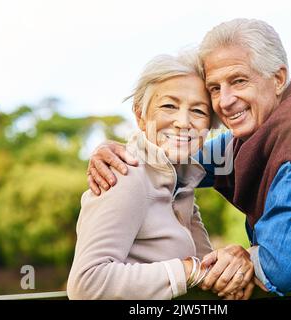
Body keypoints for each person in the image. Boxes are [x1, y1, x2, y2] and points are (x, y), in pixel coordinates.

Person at [86, 18, 291, 296]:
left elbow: (285, 268)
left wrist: (245, 256)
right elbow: (176, 160)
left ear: (278, 79)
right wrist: (118, 152)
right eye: (214, 88)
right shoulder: (251, 138)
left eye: (238, 81)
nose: (224, 101)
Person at [67, 50, 255, 300]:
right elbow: (86, 284)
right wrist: (189, 269)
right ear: (140, 116)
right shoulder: (125, 176)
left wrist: (233, 268)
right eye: (169, 106)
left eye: (198, 111)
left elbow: (205, 271)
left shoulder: (183, 183)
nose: (183, 122)